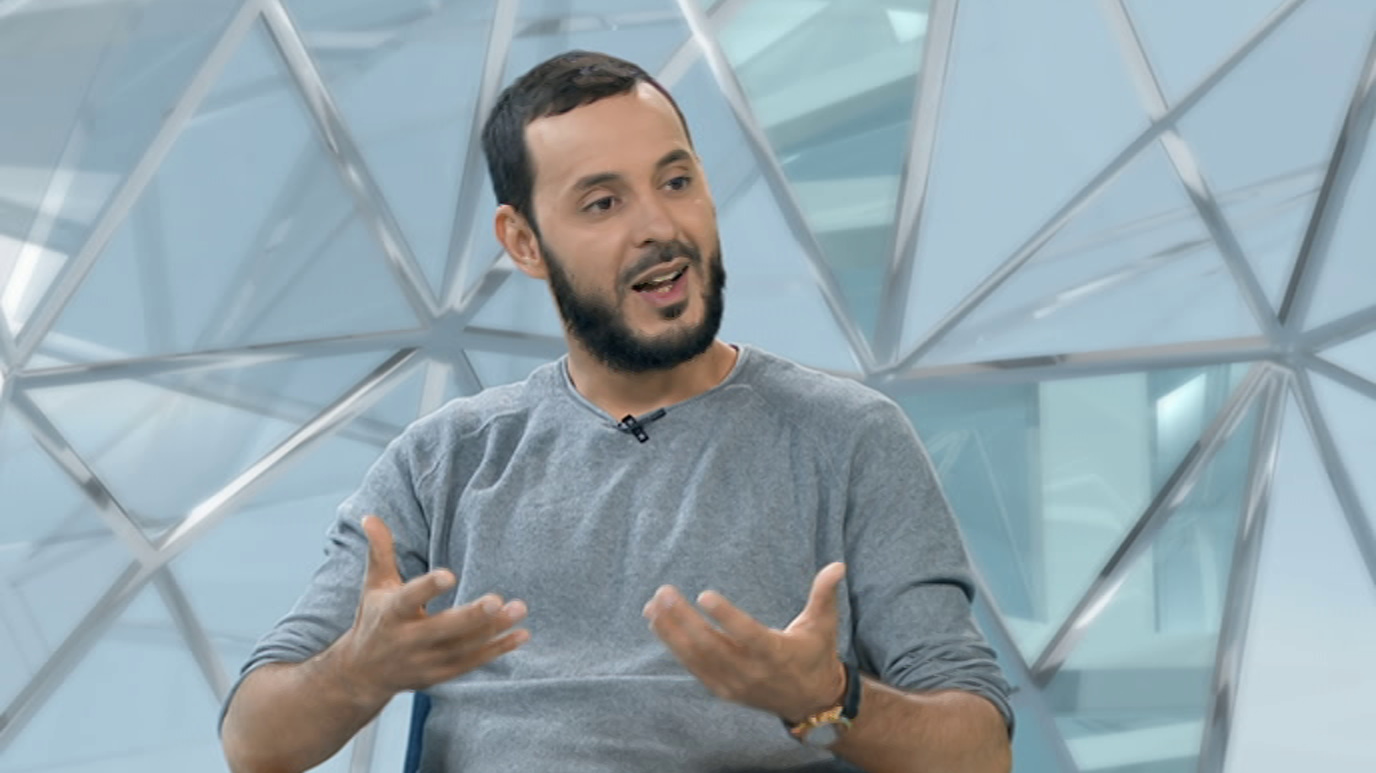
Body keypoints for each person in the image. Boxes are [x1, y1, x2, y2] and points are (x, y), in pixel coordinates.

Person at [220, 50, 1013, 773]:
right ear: (524, 242)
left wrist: (831, 698)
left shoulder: (849, 437)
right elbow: (256, 742)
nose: (660, 228)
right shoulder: (444, 460)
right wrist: (356, 671)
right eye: (603, 203)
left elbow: (979, 752)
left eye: (677, 182)